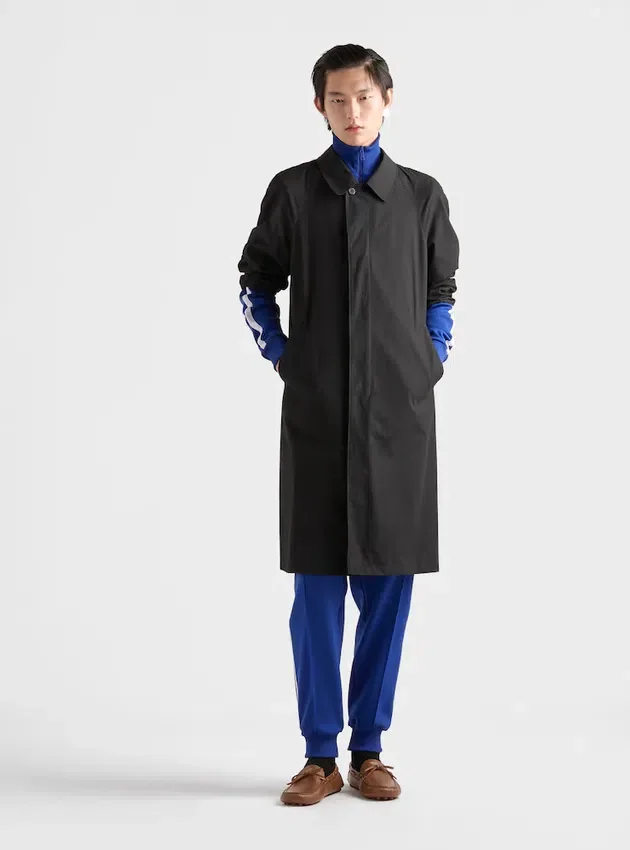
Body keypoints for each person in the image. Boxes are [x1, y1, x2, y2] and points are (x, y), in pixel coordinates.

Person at [237, 44, 460, 805]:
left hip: (400, 422)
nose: (353, 111)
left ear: (387, 99)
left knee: (389, 591)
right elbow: (254, 280)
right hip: (318, 418)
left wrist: (430, 359)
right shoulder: (294, 192)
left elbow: (441, 287)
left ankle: (370, 751)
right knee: (316, 596)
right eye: (338, 99)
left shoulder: (421, 196)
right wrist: (284, 357)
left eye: (364, 97)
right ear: (319, 107)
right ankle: (318, 756)